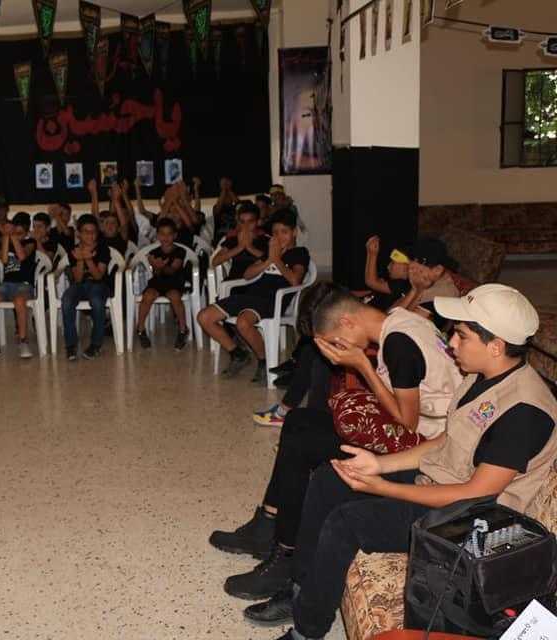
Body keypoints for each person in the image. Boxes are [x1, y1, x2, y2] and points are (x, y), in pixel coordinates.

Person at [252, 284, 556, 640]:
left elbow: (476, 494)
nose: (451, 343)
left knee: (346, 523)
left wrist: (384, 487)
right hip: (446, 485)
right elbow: (447, 440)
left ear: (496, 346)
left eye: (461, 335)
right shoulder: (481, 376)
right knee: (329, 478)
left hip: (473, 524)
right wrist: (379, 465)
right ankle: (301, 591)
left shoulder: (524, 412)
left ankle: (307, 631)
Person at [212, 281, 463, 606]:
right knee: (299, 422)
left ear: (346, 322)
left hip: (428, 446)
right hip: (423, 431)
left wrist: (362, 365)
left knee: (303, 441)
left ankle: (285, 555)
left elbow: (406, 423)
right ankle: (269, 524)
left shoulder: (399, 344)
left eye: (335, 343)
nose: (336, 352)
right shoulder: (400, 320)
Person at [197, 208, 309, 382]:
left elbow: (295, 280)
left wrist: (277, 260)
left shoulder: (299, 253)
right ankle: (238, 353)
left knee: (243, 322)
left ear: (294, 232)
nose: (279, 237)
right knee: (204, 317)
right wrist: (269, 259)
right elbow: (248, 274)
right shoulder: (271, 253)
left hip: (273, 301)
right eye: (275, 233)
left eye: (284, 232)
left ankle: (264, 361)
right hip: (251, 295)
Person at [0, 212, 38, 362]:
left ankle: (23, 341)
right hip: (6, 285)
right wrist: (6, 236)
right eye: (14, 232)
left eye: (20, 233)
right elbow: (4, 260)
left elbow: (22, 256)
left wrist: (12, 235)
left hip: (24, 285)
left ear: (26, 233)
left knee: (19, 301)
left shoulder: (30, 243)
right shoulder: (6, 242)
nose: (16, 235)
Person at [134, 218, 190, 351]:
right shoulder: (154, 252)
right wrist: (156, 267)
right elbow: (157, 273)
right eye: (162, 234)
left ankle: (183, 329)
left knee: (174, 296)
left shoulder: (180, 251)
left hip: (175, 282)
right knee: (147, 296)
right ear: (158, 235)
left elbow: (173, 270)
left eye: (169, 234)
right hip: (158, 282)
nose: (165, 237)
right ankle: (140, 329)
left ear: (175, 235)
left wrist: (161, 266)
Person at [61, 215, 111, 361]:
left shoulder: (103, 249)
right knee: (67, 300)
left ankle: (96, 344)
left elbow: (98, 276)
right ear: (79, 234)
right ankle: (71, 345)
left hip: (100, 285)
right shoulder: (74, 250)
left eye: (93, 231)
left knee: (96, 300)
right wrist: (80, 259)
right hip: (80, 285)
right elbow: (77, 279)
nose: (90, 235)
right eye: (86, 231)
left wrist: (88, 259)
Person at [389, 236, 460, 326]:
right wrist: (414, 290)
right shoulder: (422, 281)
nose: (410, 267)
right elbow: (389, 313)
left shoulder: (444, 296)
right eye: (413, 259)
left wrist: (418, 292)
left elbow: (400, 325)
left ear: (437, 270)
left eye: (419, 262)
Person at [212, 203, 267, 281]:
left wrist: (250, 248)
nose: (246, 226)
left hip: (258, 281)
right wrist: (240, 247)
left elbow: (270, 260)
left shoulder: (265, 239)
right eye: (242, 222)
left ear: (258, 222)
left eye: (250, 221)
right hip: (235, 281)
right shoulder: (233, 239)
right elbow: (215, 261)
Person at [361, 235, 411, 310]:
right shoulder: (391, 281)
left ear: (405, 268)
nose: (388, 266)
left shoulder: (401, 285)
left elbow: (371, 282)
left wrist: (372, 253)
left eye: (392, 263)